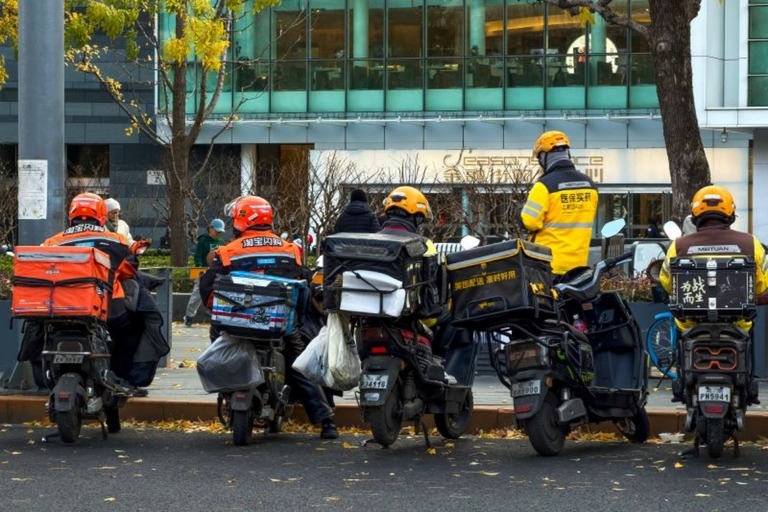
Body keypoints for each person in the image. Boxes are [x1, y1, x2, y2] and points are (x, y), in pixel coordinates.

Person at [199, 195, 338, 439]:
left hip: (237, 325)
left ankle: (227, 388)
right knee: (300, 365)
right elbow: (302, 285)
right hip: (279, 326)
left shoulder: (228, 251)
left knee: (216, 335)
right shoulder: (291, 249)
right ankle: (326, 422)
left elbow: (208, 290)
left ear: (242, 221)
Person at [23, 193, 153, 394]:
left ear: (71, 215)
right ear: (102, 215)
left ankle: (47, 376)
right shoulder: (116, 240)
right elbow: (128, 270)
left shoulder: (51, 242)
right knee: (132, 327)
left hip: (58, 308)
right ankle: (121, 377)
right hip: (106, 307)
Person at [659, 185, 768, 402]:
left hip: (691, 325)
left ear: (695, 214)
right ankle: (747, 386)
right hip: (737, 324)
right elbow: (762, 285)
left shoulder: (678, 245)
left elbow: (666, 281)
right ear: (730, 213)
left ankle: (682, 386)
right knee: (750, 329)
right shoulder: (750, 243)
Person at [521, 130, 598, 278]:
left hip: (549, 265)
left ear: (543, 157)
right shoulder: (590, 185)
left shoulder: (544, 186)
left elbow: (530, 222)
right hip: (579, 266)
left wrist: (520, 212)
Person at [183, 218, 227, 327]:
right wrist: (199, 268)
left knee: (218, 293)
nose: (219, 233)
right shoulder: (203, 241)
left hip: (216, 272)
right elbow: (198, 256)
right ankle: (189, 315)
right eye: (217, 231)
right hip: (203, 272)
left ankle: (214, 314)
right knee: (197, 294)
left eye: (220, 231)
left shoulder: (221, 242)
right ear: (210, 229)